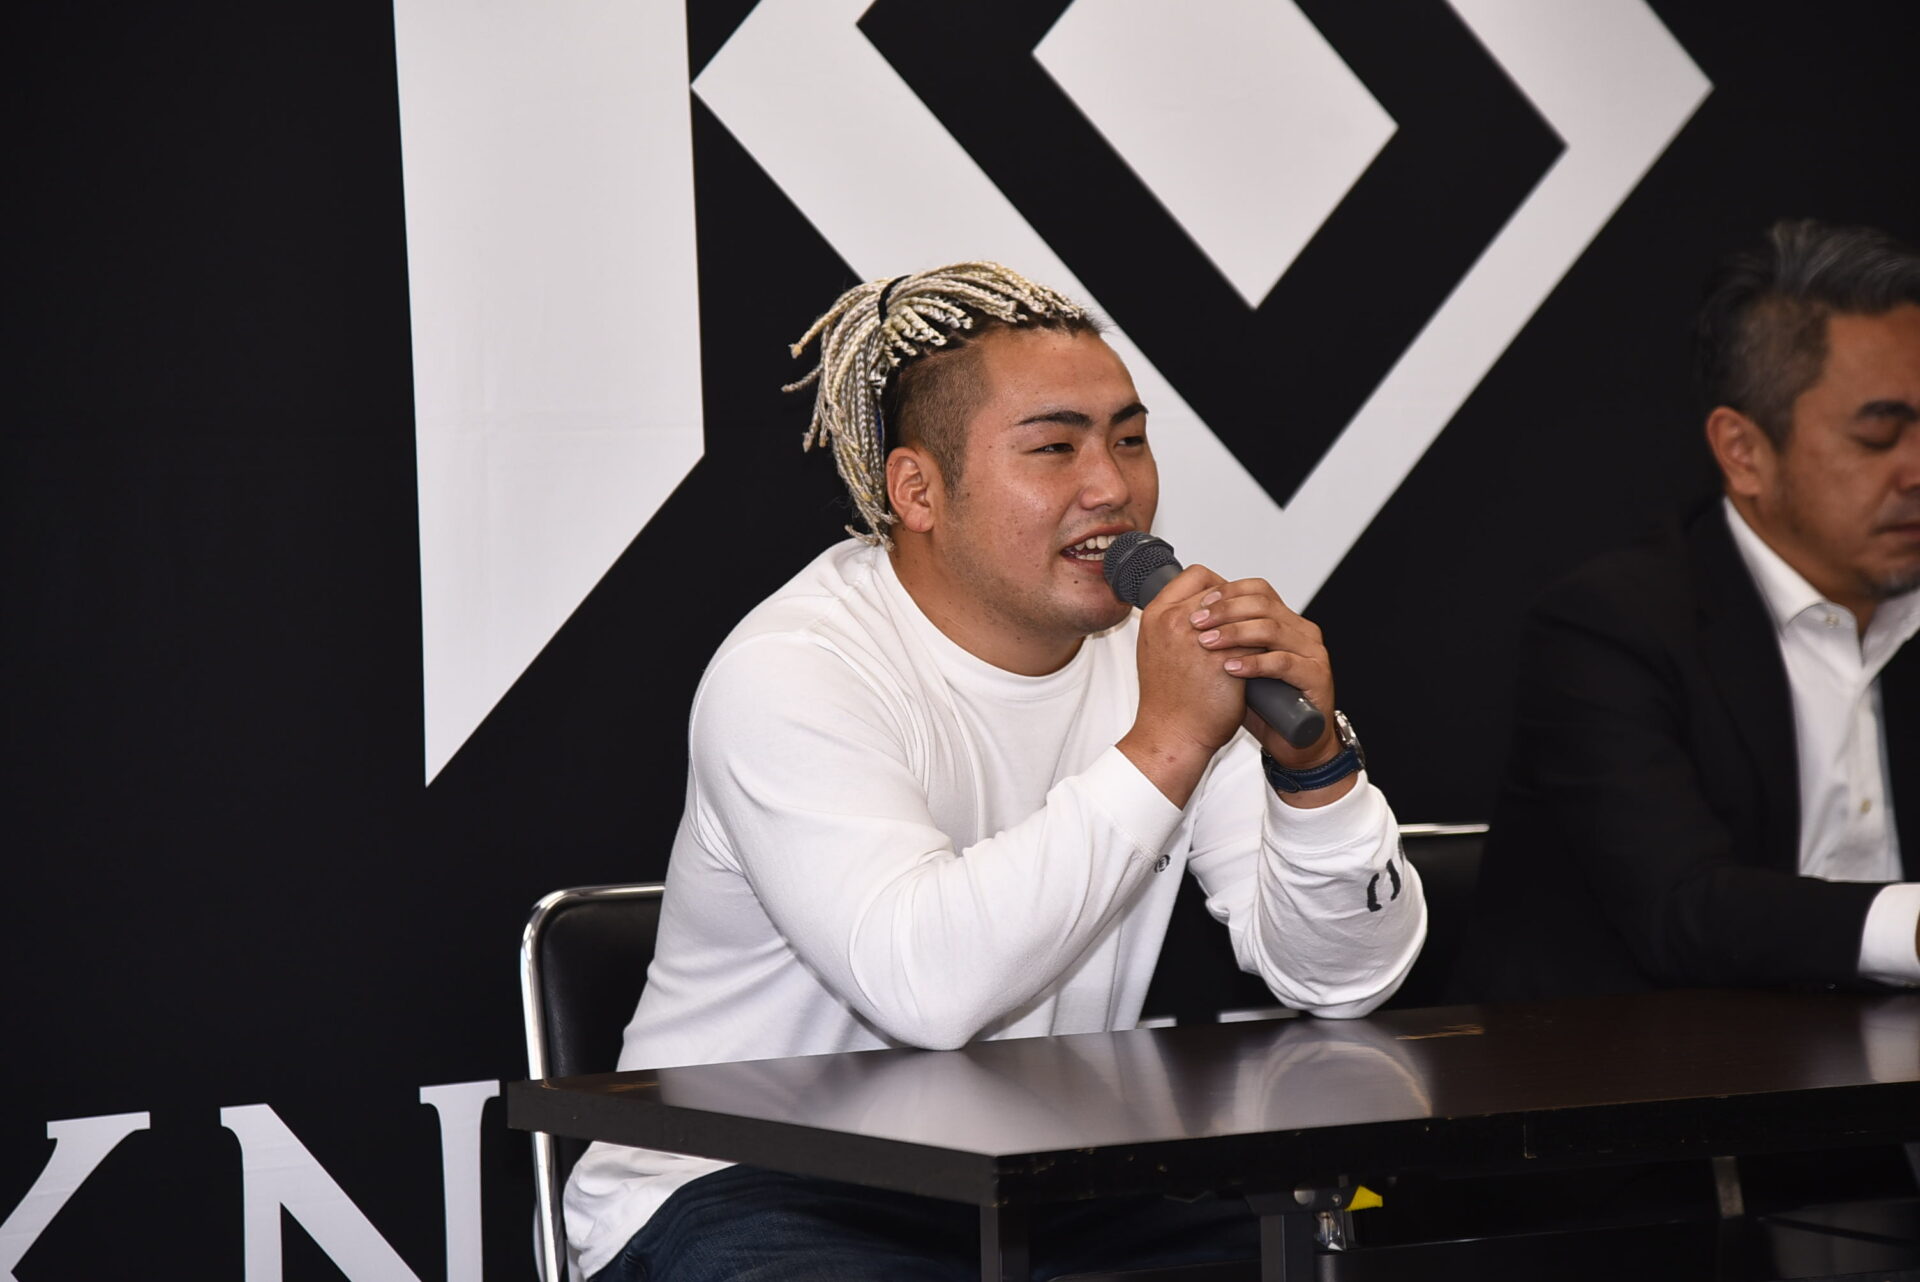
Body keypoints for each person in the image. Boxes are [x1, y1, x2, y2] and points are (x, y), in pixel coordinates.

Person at [565, 262, 1426, 1281]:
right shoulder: (793, 670)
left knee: (1319, 1256)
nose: (1113, 487)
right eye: (1056, 447)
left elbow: (1344, 979)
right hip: (753, 1182)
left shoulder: (1161, 658)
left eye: (1129, 439)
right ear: (917, 490)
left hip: (1037, 1179)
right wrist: (1164, 746)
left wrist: (1315, 768)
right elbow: (924, 987)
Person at [1459, 219, 1920, 1004]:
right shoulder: (1609, 628)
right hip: (1651, 1072)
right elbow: (1683, 909)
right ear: (1744, 451)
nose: (1915, 469)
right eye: (1879, 435)